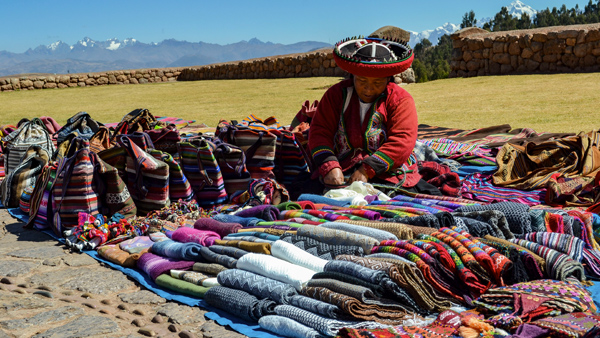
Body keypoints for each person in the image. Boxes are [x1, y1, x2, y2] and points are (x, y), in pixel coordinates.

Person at [308, 36, 421, 191]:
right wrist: (330, 166)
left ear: (389, 79)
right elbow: (319, 131)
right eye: (361, 81)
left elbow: (403, 140)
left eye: (377, 83)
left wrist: (367, 169)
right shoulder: (335, 95)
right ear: (352, 76)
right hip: (341, 169)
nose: (368, 89)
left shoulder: (400, 100)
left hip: (386, 174)